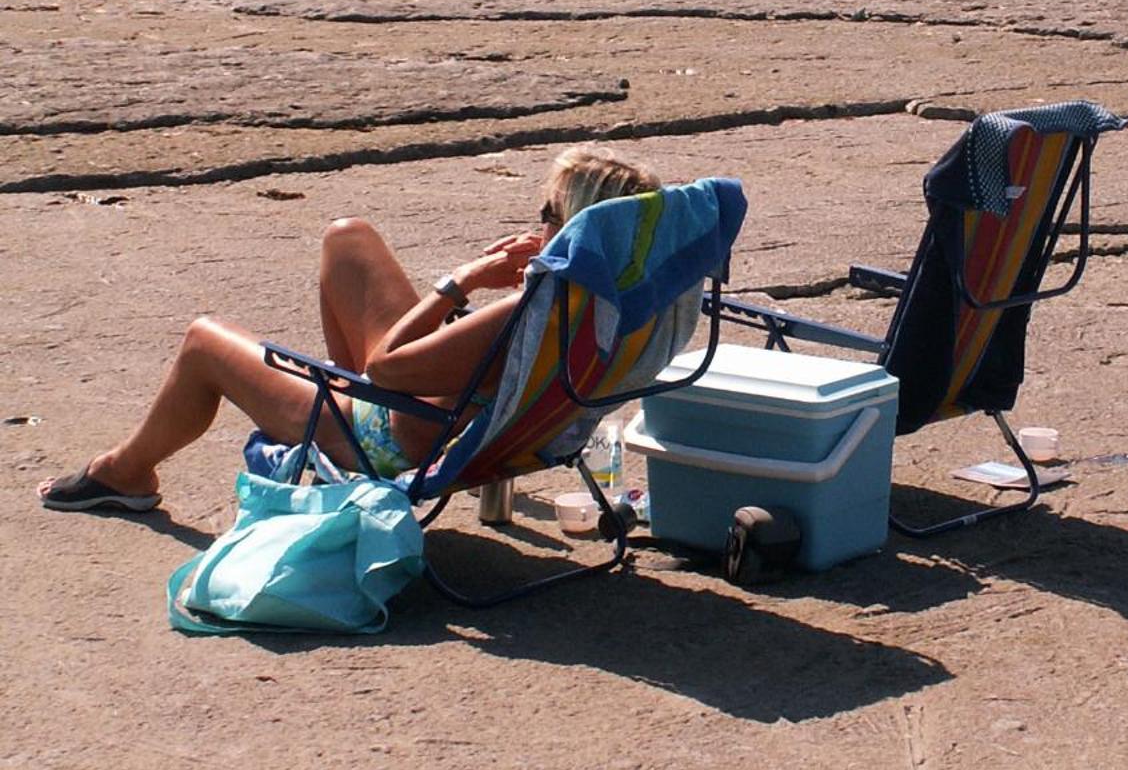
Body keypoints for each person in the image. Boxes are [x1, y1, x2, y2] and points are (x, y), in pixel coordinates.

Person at [38, 145, 661, 513]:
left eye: (548, 214)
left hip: (393, 438)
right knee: (347, 238)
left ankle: (124, 473)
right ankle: (338, 394)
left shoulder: (524, 313)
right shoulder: (608, 302)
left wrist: (465, 279)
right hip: (441, 410)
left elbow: (390, 365)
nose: (540, 223)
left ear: (574, 225)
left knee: (204, 339)